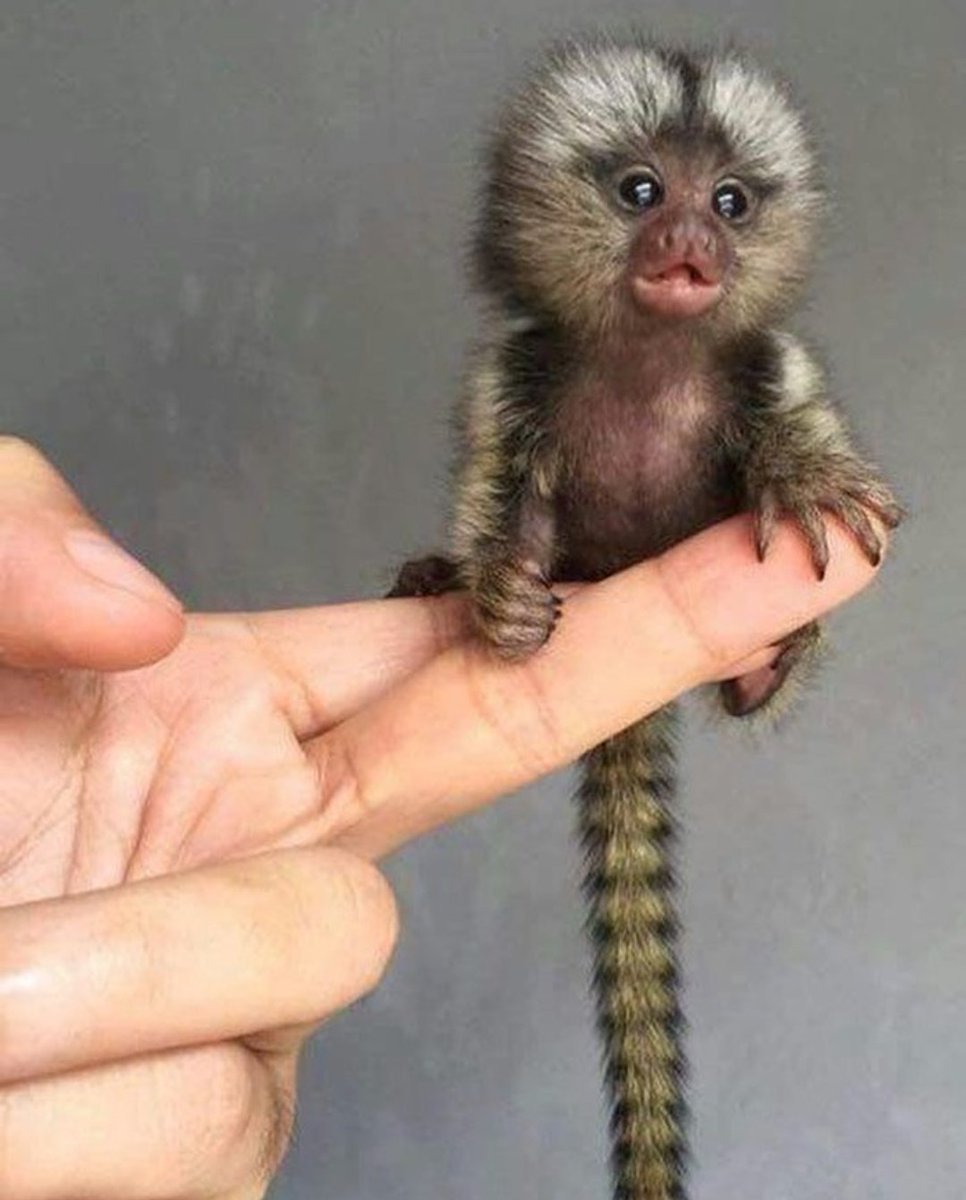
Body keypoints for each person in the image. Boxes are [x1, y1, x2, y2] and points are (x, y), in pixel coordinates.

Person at [0, 436, 886, 1199]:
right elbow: (508, 516)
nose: (684, 239)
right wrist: (491, 582)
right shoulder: (534, 381)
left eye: (731, 219)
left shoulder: (760, 385)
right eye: (636, 219)